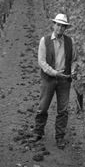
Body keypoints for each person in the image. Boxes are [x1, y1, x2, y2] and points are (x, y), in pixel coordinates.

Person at [32, 13, 77, 149]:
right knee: (43, 107)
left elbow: (74, 60)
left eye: (63, 26)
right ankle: (38, 132)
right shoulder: (44, 41)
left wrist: (73, 70)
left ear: (65, 28)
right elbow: (41, 62)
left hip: (65, 80)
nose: (60, 28)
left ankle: (60, 137)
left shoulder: (70, 42)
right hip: (49, 79)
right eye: (58, 25)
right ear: (53, 25)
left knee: (63, 110)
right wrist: (54, 73)